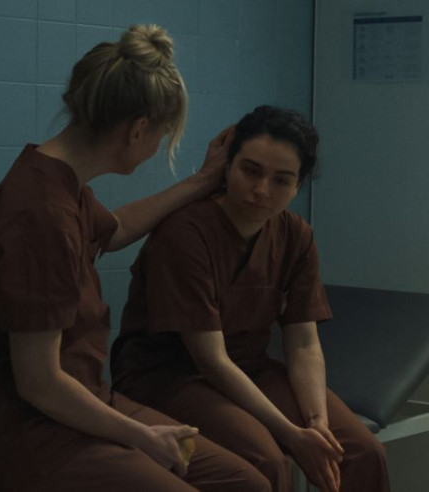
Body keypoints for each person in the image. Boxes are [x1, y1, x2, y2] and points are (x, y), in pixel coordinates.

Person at [0, 24, 270, 492]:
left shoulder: (56, 179)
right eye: (162, 137)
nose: (157, 149)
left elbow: (114, 230)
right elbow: (38, 382)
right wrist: (141, 436)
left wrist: (201, 181)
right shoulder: (39, 215)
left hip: (75, 397)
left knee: (244, 483)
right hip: (15, 424)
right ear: (137, 130)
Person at [111, 105, 391, 492]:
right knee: (266, 461)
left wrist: (317, 424)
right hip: (169, 376)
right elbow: (211, 360)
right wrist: (291, 435)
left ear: (298, 185)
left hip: (249, 368)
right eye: (251, 171)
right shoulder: (185, 234)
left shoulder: (295, 236)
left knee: (360, 451)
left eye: (281, 180)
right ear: (227, 167)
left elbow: (303, 342)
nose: (261, 190)